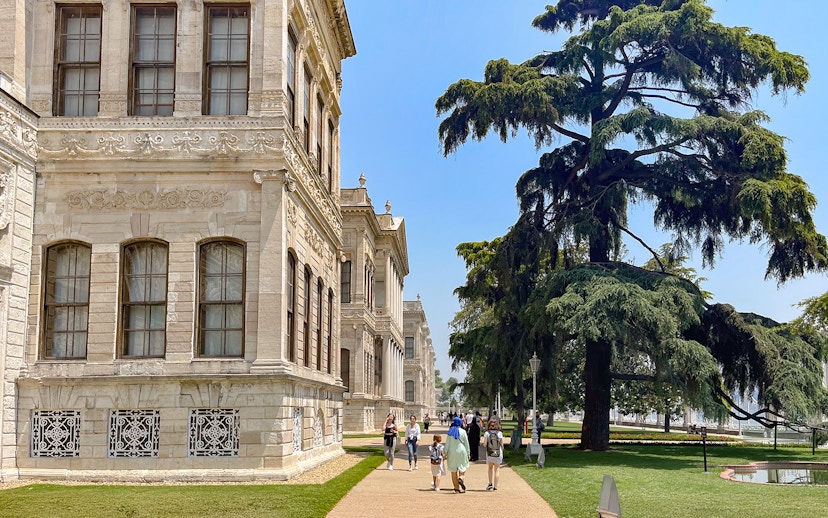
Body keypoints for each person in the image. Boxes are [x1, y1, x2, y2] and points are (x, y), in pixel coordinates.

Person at [445, 416, 470, 493]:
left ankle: (456, 488)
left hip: (452, 452)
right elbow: (466, 443)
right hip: (461, 451)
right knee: (462, 468)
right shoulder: (463, 431)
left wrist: (445, 453)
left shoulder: (450, 432)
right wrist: (468, 452)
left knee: (453, 471)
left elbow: (447, 444)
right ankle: (461, 478)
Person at [483, 418, 504, 491]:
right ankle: (496, 486)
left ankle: (490, 483)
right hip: (498, 452)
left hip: (490, 453)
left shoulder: (487, 433)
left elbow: (485, 445)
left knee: (490, 468)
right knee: (497, 469)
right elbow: (502, 444)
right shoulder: (499, 433)